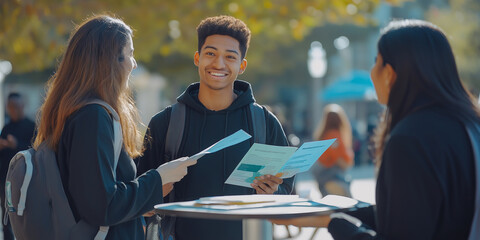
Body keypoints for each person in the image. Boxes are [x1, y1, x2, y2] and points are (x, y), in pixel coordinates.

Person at [270, 19, 479, 239]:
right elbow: (414, 215)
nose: (372, 71)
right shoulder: (469, 125)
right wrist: (336, 212)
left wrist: (336, 224)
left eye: (376, 61)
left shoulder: (410, 138)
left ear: (389, 73)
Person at [32, 15, 196, 240]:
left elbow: (93, 198)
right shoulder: (93, 117)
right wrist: (158, 179)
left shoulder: (73, 110)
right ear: (111, 59)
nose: (134, 63)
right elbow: (102, 207)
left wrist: (140, 202)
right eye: (130, 53)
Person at [137, 15, 294, 240]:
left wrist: (273, 192)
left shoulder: (265, 123)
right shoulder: (166, 123)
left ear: (242, 65)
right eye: (210, 53)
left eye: (230, 57)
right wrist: (154, 195)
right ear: (197, 58)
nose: (218, 64)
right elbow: (141, 200)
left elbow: (287, 201)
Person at [0, 92, 36, 240]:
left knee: (26, 216)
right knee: (7, 216)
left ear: (23, 106)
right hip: (6, 181)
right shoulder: (6, 128)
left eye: (16, 106)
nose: (14, 109)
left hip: (26, 181)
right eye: (11, 107)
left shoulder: (32, 126)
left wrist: (17, 145)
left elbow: (37, 151)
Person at [312, 103, 354, 197]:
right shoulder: (334, 136)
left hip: (323, 176)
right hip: (332, 177)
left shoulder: (324, 136)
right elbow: (340, 159)